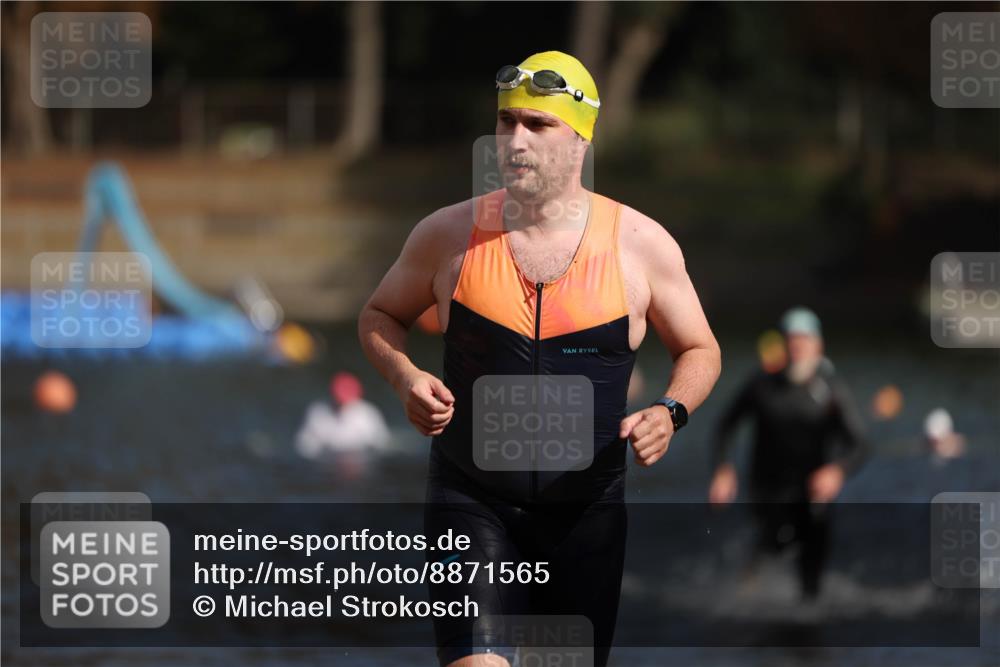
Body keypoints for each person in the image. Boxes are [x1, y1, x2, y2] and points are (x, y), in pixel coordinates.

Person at [358, 51, 720, 667]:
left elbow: (701, 349)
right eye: (506, 123)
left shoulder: (641, 246)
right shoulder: (448, 235)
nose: (513, 140)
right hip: (470, 501)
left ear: (579, 139)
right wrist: (405, 375)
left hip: (585, 516)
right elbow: (378, 315)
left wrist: (671, 409)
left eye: (537, 124)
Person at [708, 307, 869, 599]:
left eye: (804, 339)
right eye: (791, 340)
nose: (797, 346)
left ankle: (807, 618)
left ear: (818, 346)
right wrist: (723, 468)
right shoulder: (761, 385)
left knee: (812, 570)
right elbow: (725, 426)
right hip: (768, 489)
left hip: (814, 491)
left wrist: (837, 471)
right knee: (770, 545)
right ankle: (745, 598)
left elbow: (860, 443)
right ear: (781, 345)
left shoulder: (830, 390)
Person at [294, 371, 391, 459]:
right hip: (328, 460)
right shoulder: (318, 413)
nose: (343, 404)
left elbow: (380, 442)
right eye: (339, 399)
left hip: (359, 459)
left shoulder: (368, 414)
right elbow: (305, 445)